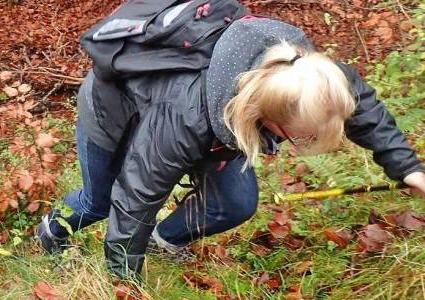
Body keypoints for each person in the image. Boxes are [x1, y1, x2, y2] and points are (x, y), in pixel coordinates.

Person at [35, 1, 425, 280]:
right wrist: (124, 285)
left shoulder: (305, 74)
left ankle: (162, 240)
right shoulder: (187, 117)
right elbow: (137, 198)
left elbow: (358, 103)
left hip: (208, 120)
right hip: (114, 110)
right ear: (267, 116)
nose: (302, 141)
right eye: (299, 136)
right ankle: (52, 230)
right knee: (101, 202)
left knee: (234, 203)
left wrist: (408, 168)